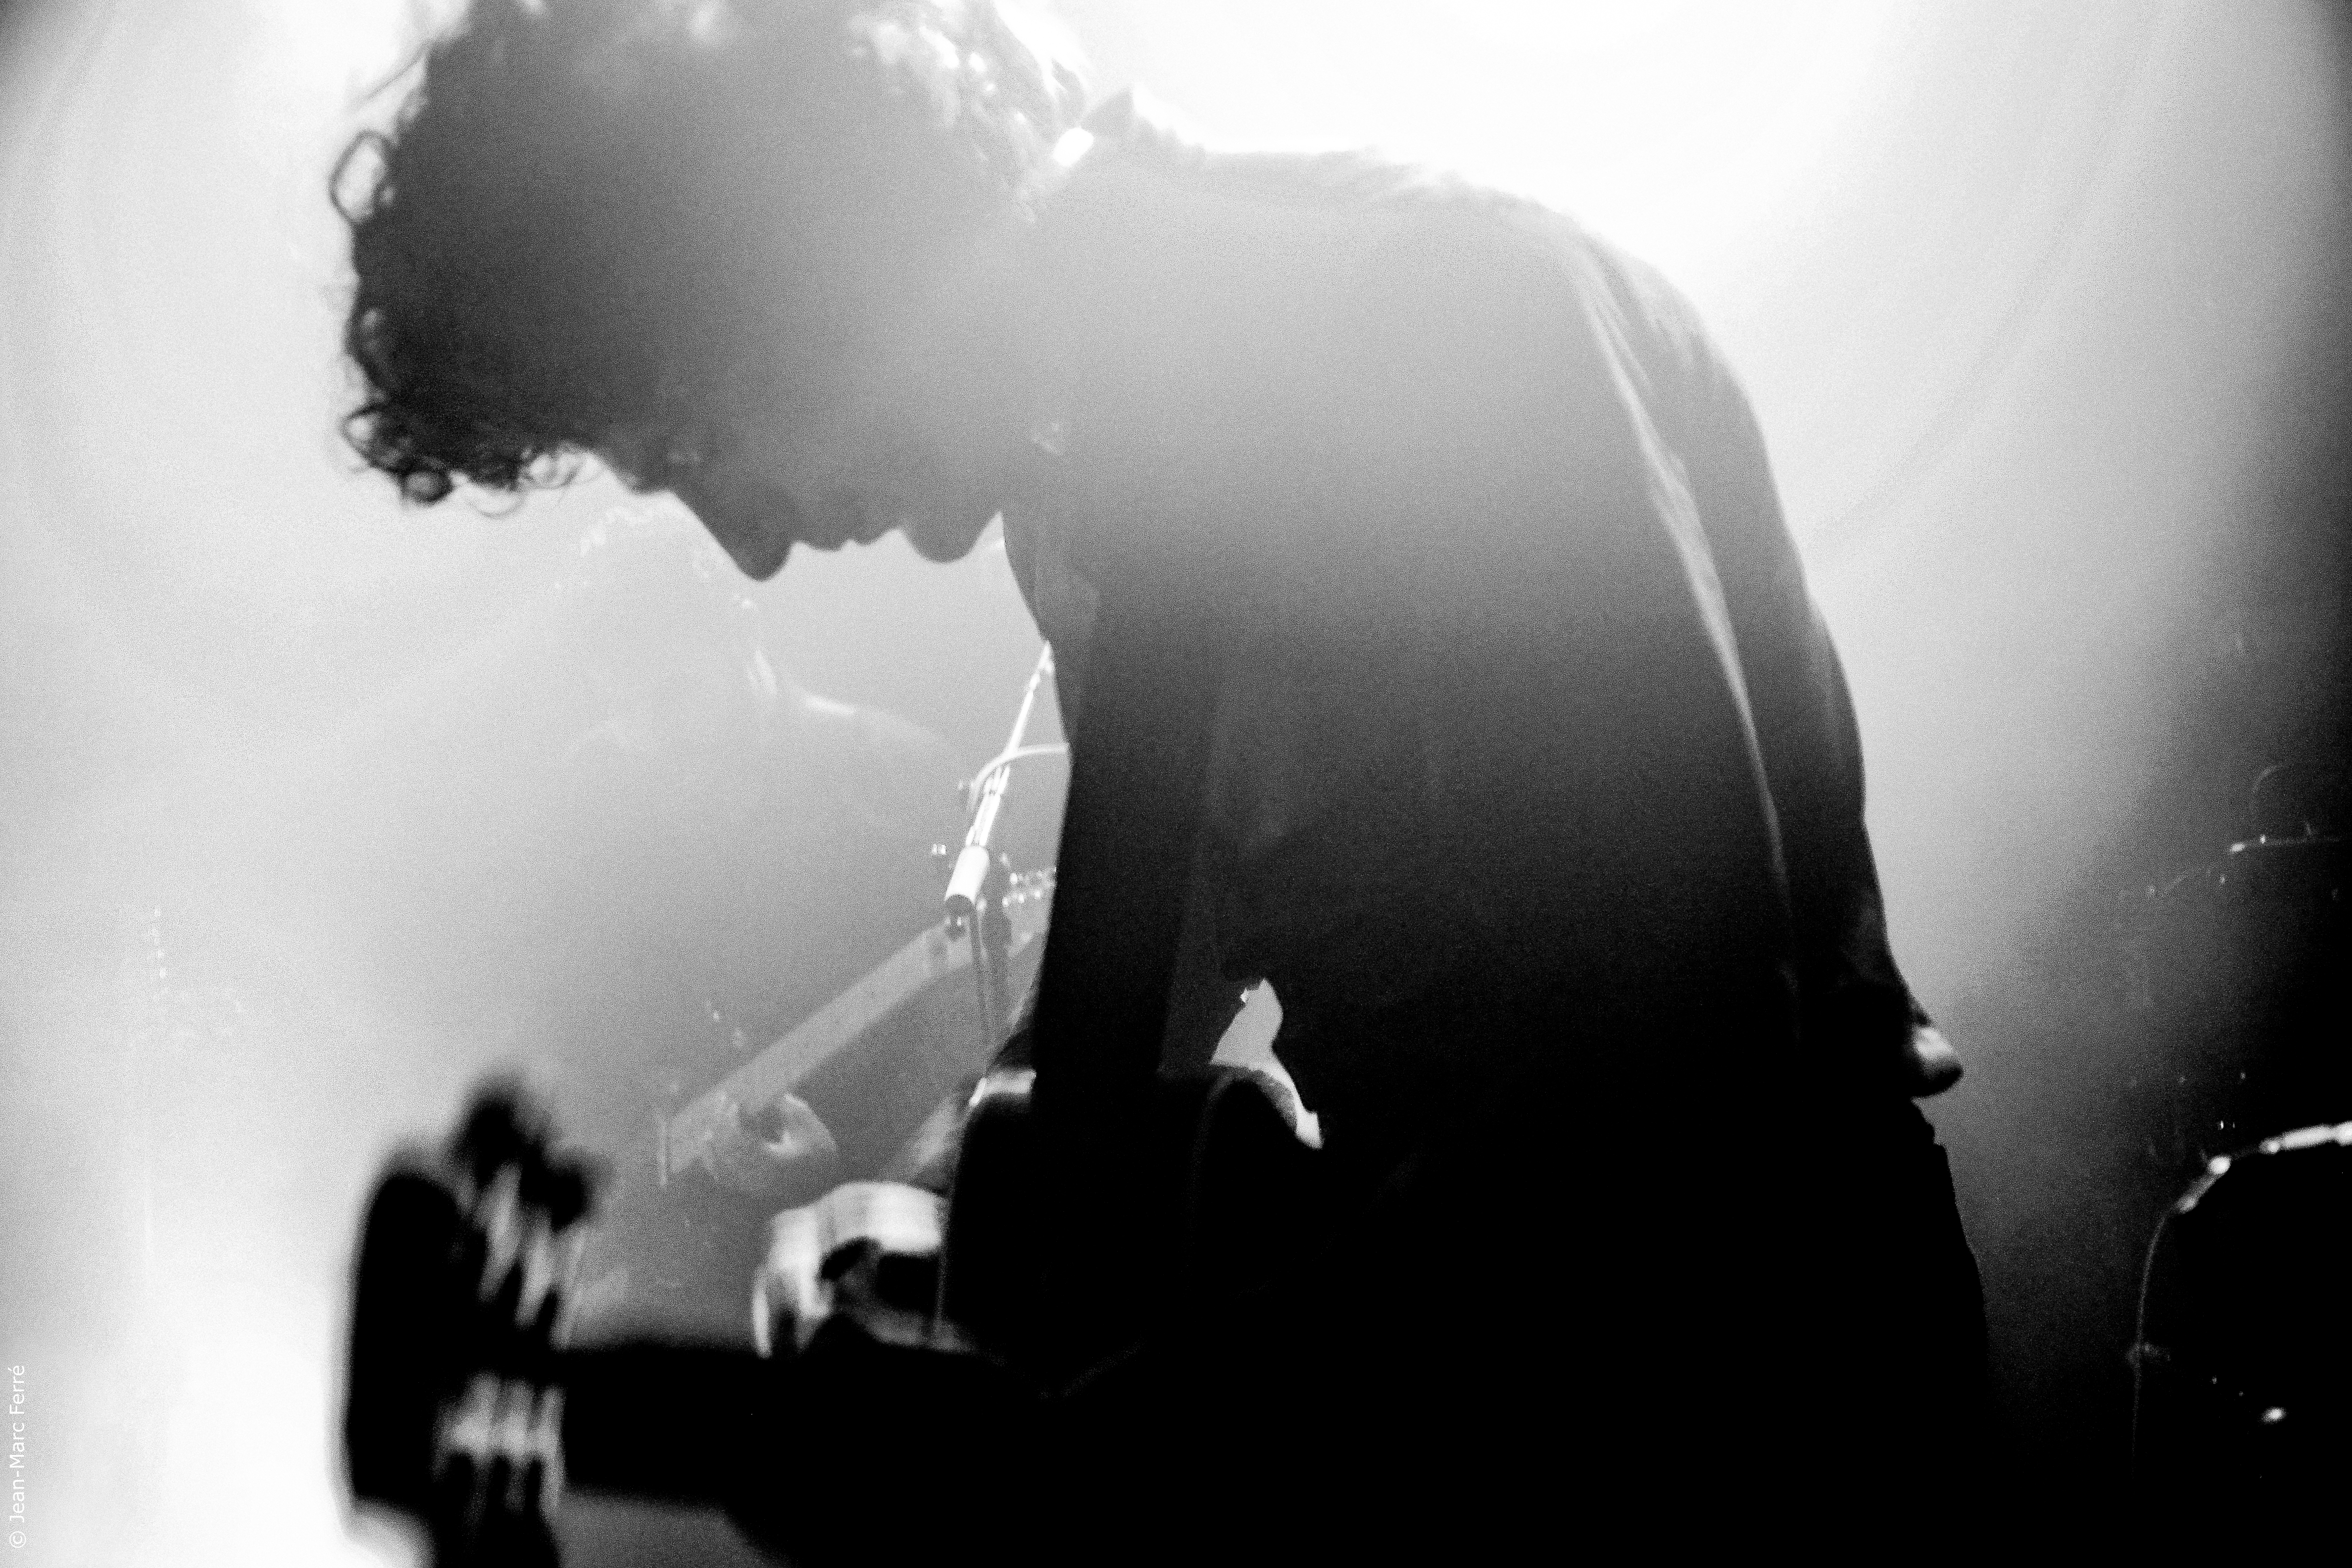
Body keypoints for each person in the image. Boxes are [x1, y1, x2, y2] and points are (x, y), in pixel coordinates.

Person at [334, 0, 1992, 1552]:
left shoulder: (1451, 321)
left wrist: (1074, 1464)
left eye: (700, 445)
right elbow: (1143, 1046)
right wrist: (919, 1212)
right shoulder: (1093, 516)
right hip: (1485, 1408)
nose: (752, 549)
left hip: (1766, 1430)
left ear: (813, 248)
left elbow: (1663, 1115)